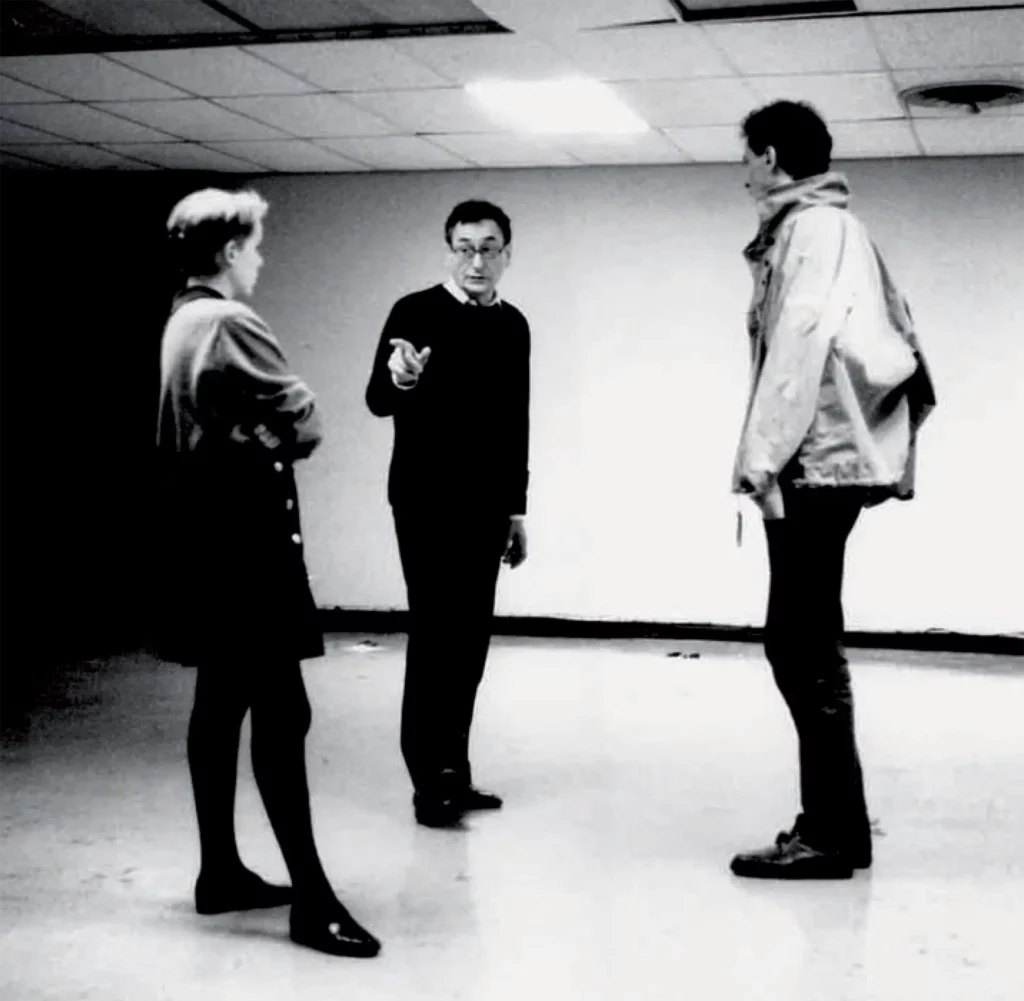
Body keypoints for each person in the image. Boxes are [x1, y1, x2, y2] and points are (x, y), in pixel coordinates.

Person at [155, 187, 380, 957]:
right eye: (253, 246)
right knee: (283, 716)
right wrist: (271, 428)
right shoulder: (226, 319)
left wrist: (255, 427)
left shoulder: (180, 320)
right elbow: (308, 420)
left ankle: (219, 870)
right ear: (226, 251)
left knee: (219, 707)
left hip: (208, 544)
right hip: (248, 547)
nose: (260, 258)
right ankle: (313, 902)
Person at [729, 102, 936, 879]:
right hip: (821, 462)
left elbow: (799, 343)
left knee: (801, 644)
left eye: (747, 155)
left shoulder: (816, 231)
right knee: (805, 641)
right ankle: (837, 826)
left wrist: (760, 458)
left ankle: (830, 835)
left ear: (773, 156)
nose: (742, 169)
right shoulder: (815, 228)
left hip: (814, 464)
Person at [366, 199, 531, 828]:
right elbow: (377, 398)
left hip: (485, 507)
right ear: (448, 252)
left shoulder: (513, 326)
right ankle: (427, 781)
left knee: (470, 643)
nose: (477, 261)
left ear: (507, 255)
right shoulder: (415, 312)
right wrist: (403, 378)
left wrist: (516, 509)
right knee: (436, 637)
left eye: (489, 248)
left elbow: (515, 421)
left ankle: (453, 772)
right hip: (426, 501)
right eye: (464, 247)